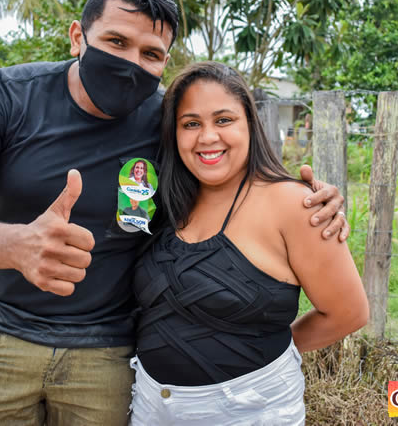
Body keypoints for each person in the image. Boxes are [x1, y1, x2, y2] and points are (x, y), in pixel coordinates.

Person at [0, 0, 349, 426]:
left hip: (108, 351)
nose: (130, 63)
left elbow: (229, 173)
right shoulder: (1, 97)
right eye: (116, 41)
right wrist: (16, 246)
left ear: (164, 61)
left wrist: (307, 200)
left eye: (151, 54)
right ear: (78, 37)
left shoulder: (169, 123)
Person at [129, 62, 369, 425]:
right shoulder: (165, 200)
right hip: (150, 408)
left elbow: (348, 313)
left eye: (223, 120)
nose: (207, 137)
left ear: (250, 125)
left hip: (249, 411)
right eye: (191, 124)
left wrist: (262, 356)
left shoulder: (294, 205)